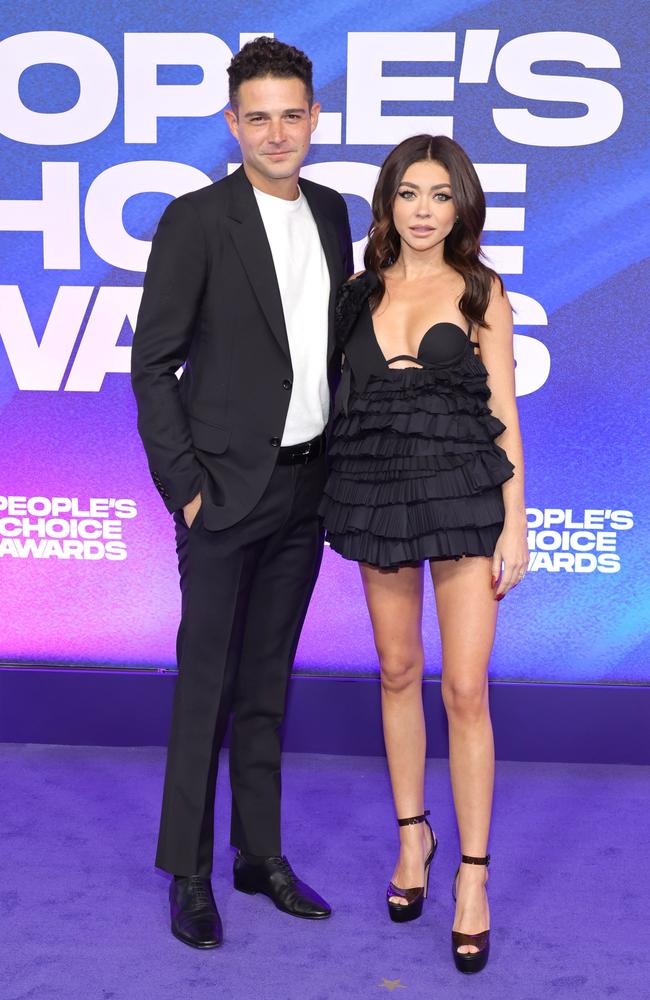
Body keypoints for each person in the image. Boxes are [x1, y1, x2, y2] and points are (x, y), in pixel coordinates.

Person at [131, 37, 352, 949]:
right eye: (256, 116)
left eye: (290, 114)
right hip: (222, 497)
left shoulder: (338, 214)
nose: (275, 131)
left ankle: (258, 855)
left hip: (306, 489)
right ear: (233, 123)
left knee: (267, 684)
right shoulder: (198, 219)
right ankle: (188, 871)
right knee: (207, 687)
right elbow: (152, 366)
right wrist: (186, 490)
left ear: (312, 119)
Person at [319, 134, 528, 974]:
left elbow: (506, 412)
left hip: (466, 497)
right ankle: (415, 838)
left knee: (466, 689)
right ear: (388, 202)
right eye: (410, 194)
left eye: (441, 196)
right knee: (397, 670)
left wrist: (516, 524)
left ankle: (473, 879)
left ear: (461, 206)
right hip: (378, 491)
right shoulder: (356, 293)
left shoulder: (481, 291)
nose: (424, 212)